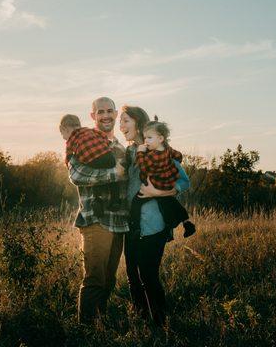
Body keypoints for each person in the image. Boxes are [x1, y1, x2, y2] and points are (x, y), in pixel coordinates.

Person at [119, 106, 191, 326]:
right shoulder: (131, 151)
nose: (121, 126)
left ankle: (161, 324)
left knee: (149, 276)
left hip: (153, 224)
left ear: (139, 123)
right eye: (120, 122)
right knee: (132, 276)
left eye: (125, 121)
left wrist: (156, 192)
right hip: (130, 224)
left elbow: (183, 182)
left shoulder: (159, 151)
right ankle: (142, 322)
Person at [66, 97, 127, 325]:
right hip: (95, 220)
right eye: (100, 111)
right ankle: (86, 331)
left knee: (109, 280)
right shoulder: (84, 141)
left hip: (120, 221)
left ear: (115, 114)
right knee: (94, 279)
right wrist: (115, 174)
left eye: (109, 111)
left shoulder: (121, 147)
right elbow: (77, 175)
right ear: (93, 116)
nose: (106, 115)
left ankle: (100, 324)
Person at [129, 118, 196, 240]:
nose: (146, 141)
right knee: (171, 203)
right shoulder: (168, 151)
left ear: (160, 139)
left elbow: (143, 166)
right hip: (166, 185)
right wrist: (176, 161)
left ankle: (135, 227)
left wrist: (140, 153)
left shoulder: (153, 155)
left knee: (136, 203)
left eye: (149, 138)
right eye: (145, 138)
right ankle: (186, 223)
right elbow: (177, 155)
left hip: (153, 185)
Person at [59, 114, 123, 214]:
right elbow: (103, 136)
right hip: (108, 155)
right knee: (113, 180)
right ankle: (115, 200)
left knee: (95, 178)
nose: (64, 138)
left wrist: (68, 164)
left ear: (64, 129)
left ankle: (97, 200)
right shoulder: (90, 130)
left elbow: (68, 155)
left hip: (92, 160)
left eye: (63, 135)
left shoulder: (71, 139)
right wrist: (105, 147)